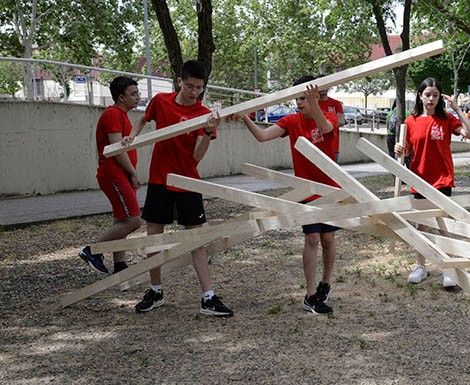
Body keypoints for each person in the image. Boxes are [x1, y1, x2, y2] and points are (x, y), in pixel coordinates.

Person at [125, 60, 233, 317]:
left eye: (199, 88)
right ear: (179, 82)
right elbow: (142, 119)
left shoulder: (204, 115)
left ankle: (208, 297)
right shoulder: (161, 101)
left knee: (196, 240)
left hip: (187, 181)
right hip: (160, 180)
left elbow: (196, 156)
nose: (194, 92)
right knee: (154, 237)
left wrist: (207, 133)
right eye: (190, 86)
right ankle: (155, 291)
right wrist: (132, 136)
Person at [231, 75, 339, 316]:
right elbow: (262, 136)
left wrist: (316, 102)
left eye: (304, 98)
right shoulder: (291, 121)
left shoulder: (329, 116)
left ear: (314, 97)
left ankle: (326, 284)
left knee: (328, 239)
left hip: (329, 189)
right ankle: (310, 296)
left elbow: (325, 128)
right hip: (305, 190)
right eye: (296, 98)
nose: (299, 103)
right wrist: (246, 118)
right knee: (312, 239)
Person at [394, 78, 470, 288]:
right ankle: (420, 266)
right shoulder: (410, 122)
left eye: (435, 95)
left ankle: (449, 268)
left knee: (442, 224)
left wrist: (457, 109)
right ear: (420, 96)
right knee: (421, 225)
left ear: (440, 98)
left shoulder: (446, 119)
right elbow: (408, 150)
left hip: (442, 179)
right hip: (419, 179)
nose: (431, 98)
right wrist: (400, 150)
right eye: (427, 94)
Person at [78, 76, 144, 275]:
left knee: (121, 220)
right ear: (121, 97)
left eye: (138, 93)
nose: (138, 97)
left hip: (120, 174)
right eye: (133, 94)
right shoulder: (113, 114)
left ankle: (120, 264)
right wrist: (133, 174)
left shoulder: (121, 115)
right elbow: (115, 149)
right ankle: (92, 251)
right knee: (133, 221)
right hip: (114, 174)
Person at [318, 87, 345, 160]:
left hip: (333, 146)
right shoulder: (313, 104)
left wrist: (326, 124)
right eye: (319, 86)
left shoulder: (336, 103)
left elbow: (342, 121)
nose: (322, 88)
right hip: (317, 145)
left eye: (324, 85)